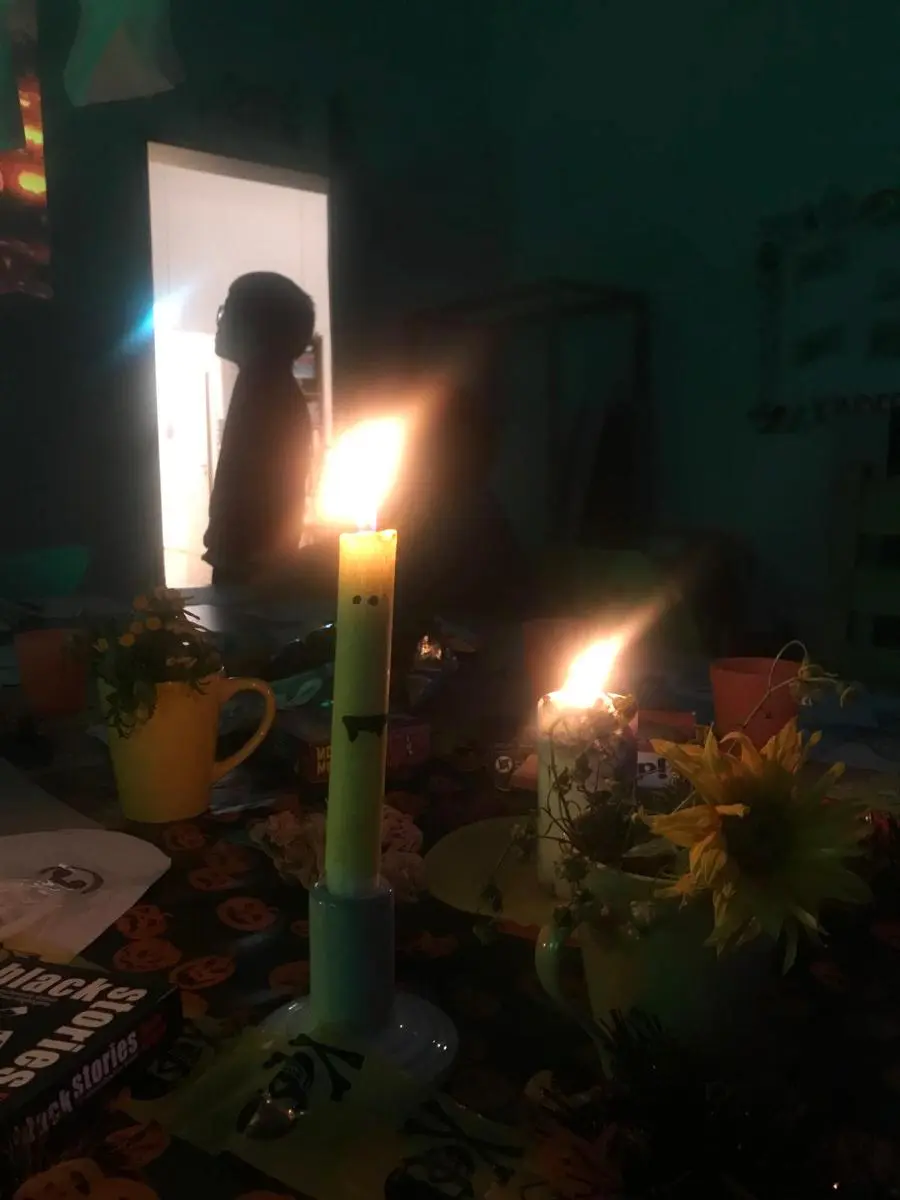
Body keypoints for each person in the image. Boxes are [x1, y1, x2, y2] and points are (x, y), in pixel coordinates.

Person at [203, 273, 315, 587]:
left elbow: (259, 499)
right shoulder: (263, 385)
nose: (220, 322)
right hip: (251, 568)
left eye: (228, 310)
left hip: (252, 575)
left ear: (255, 326)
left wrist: (249, 568)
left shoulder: (265, 391)